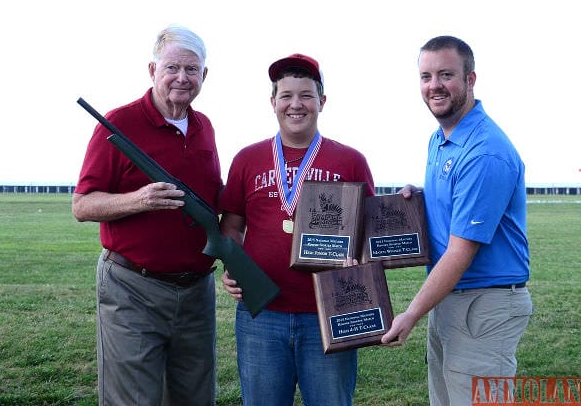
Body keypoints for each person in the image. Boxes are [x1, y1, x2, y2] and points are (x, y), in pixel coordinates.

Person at [72, 25, 221, 405]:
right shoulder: (119, 123)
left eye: (192, 70)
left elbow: (213, 198)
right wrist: (139, 200)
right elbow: (83, 204)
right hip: (132, 288)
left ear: (205, 75)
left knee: (195, 397)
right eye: (172, 68)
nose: (182, 78)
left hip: (196, 292)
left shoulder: (205, 128)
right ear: (152, 70)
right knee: (132, 399)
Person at [381, 36, 533, 405]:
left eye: (446, 74)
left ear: (470, 79)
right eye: (426, 76)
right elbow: (452, 210)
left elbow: (460, 251)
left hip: (484, 306)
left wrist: (411, 314)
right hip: (452, 300)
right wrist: (417, 202)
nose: (434, 85)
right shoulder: (442, 138)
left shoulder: (485, 151)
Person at [219, 53, 375, 406]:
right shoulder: (247, 158)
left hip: (328, 315)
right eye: (286, 95)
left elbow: (368, 232)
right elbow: (232, 225)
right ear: (272, 102)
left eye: (306, 95)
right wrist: (233, 266)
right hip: (262, 315)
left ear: (322, 101)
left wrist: (359, 260)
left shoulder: (349, 160)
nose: (296, 105)